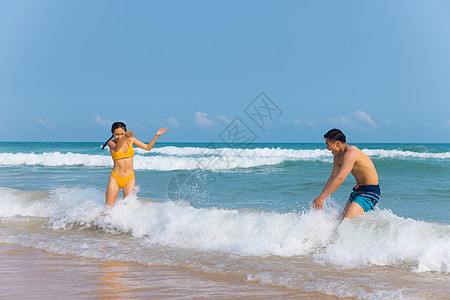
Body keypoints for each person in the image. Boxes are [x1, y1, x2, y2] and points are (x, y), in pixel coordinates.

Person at [312, 129, 380, 220]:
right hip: (358, 190)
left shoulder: (351, 152)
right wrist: (320, 197)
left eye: (328, 144)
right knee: (341, 221)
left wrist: (322, 197)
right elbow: (333, 178)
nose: (327, 148)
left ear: (337, 143)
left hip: (370, 192)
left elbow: (340, 178)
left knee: (345, 223)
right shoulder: (337, 157)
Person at [102, 122, 167, 207]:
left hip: (129, 179)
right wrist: (125, 137)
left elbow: (147, 148)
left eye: (122, 134)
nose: (119, 137)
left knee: (128, 208)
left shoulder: (131, 140)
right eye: (116, 134)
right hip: (115, 178)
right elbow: (117, 149)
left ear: (125, 132)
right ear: (113, 134)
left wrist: (157, 136)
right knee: (108, 208)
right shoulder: (111, 143)